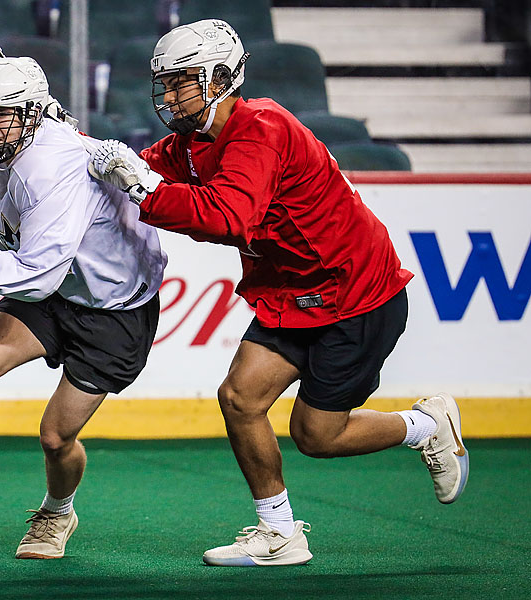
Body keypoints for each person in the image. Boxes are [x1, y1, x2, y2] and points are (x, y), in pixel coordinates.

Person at [86, 19, 468, 567]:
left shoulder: (262, 127)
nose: (169, 95)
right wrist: (70, 143)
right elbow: (142, 168)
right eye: (165, 83)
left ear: (221, 78)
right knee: (240, 398)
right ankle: (280, 535)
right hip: (294, 291)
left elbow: (228, 218)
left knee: (316, 435)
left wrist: (140, 185)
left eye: (181, 81)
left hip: (356, 294)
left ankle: (428, 426)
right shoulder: (195, 141)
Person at [0, 55, 167, 560]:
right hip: (63, 288)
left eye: (4, 114)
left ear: (34, 112)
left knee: (55, 437)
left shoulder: (51, 164)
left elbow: (37, 276)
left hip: (115, 308)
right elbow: (15, 234)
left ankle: (57, 513)